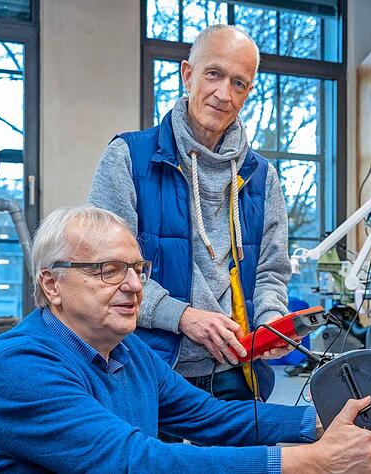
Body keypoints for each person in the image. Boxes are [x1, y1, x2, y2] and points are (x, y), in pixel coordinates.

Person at [0, 206, 371, 473]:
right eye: (108, 269)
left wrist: (318, 423)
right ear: (52, 285)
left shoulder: (125, 348)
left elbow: (211, 416)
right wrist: (312, 461)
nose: (135, 286)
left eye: (138, 269)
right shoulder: (18, 367)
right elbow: (136, 462)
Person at [89, 24, 290, 402]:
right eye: (213, 74)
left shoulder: (262, 177)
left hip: (235, 369)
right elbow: (107, 271)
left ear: (248, 93)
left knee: (246, 463)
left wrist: (271, 322)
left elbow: (270, 272)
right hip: (147, 366)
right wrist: (183, 316)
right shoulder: (127, 158)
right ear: (187, 74)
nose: (223, 94)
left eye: (239, 83)